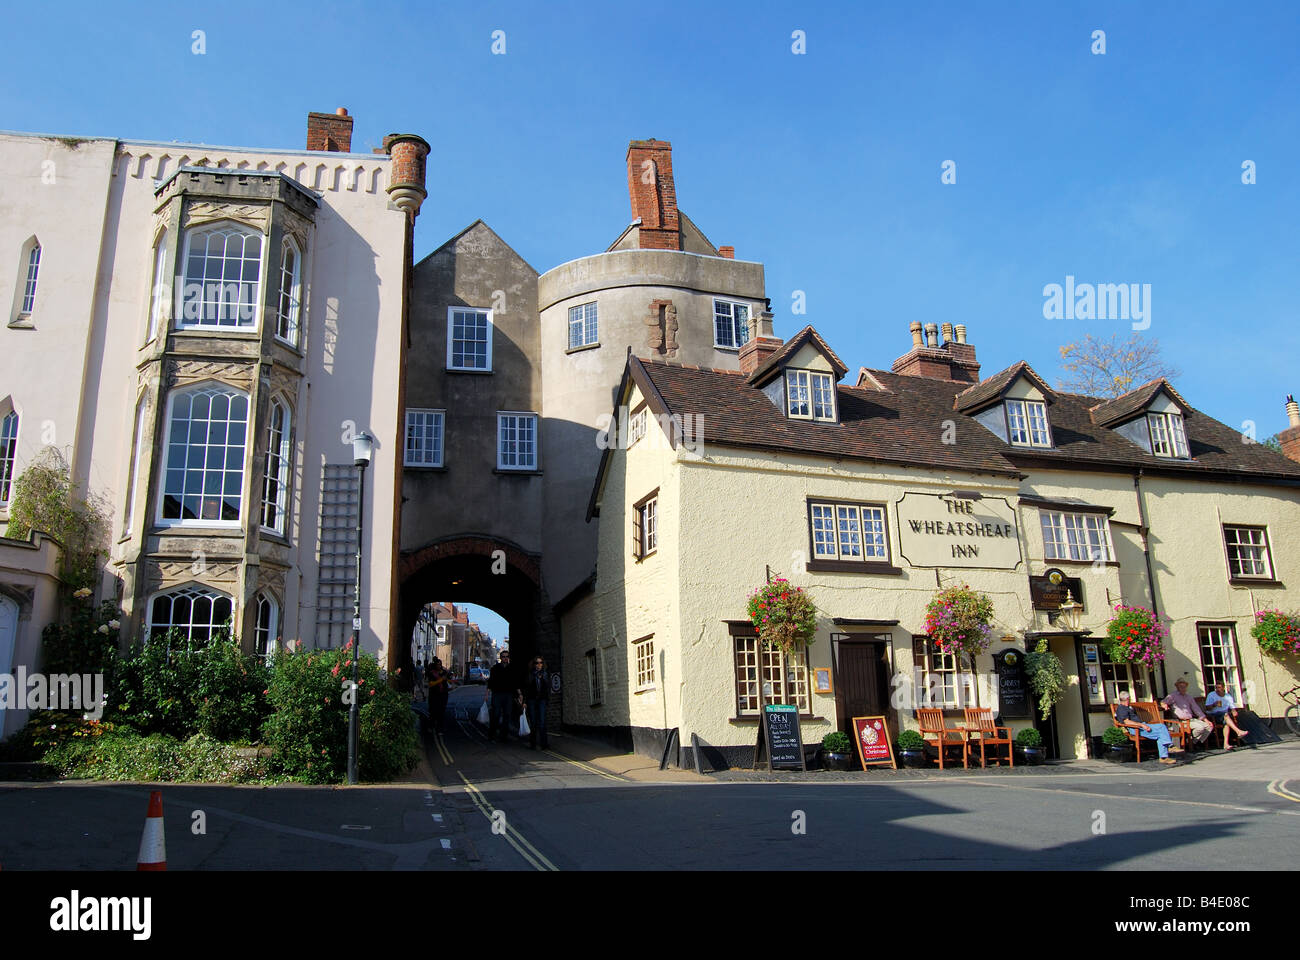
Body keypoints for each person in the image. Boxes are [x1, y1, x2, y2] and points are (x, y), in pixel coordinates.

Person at [1114, 690, 1176, 764]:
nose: (1130, 700)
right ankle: (1167, 752)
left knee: (1161, 727)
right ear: (1127, 699)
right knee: (1161, 732)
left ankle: (1165, 754)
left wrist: (1143, 724)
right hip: (1136, 729)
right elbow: (1126, 722)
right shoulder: (1121, 708)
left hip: (1141, 726)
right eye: (1129, 699)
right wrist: (1142, 725)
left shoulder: (1128, 707)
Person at [1162, 678, 1213, 748]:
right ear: (1177, 687)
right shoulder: (1172, 696)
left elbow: (1196, 709)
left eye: (1184, 687)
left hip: (1191, 720)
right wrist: (1164, 705)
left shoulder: (1189, 697)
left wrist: (1206, 720)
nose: (1183, 688)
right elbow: (1163, 702)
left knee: (1209, 726)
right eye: (1181, 687)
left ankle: (1193, 742)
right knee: (1200, 727)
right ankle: (1193, 743)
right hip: (1180, 722)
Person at [486, 651, 519, 743]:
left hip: (508, 694)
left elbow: (515, 682)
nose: (505, 658)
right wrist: (487, 694)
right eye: (503, 656)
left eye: (507, 656)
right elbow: (491, 681)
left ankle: (503, 736)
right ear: (500, 658)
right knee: (496, 714)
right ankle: (492, 735)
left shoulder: (512, 669)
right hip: (497, 694)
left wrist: (519, 694)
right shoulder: (495, 668)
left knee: (507, 715)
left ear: (508, 658)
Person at [1205, 682, 1248, 749]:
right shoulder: (1211, 695)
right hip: (1214, 714)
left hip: (1224, 715)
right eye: (1216, 688)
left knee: (1226, 722)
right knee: (1226, 716)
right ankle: (1238, 731)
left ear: (1223, 688)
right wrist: (1214, 705)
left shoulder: (1228, 696)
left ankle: (1226, 744)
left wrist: (1234, 711)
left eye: (1219, 687)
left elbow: (1232, 706)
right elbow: (1207, 708)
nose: (1217, 689)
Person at [523, 656, 551, 750]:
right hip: (531, 700)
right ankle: (533, 743)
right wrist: (524, 701)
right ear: (533, 664)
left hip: (542, 700)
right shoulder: (530, 674)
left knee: (542, 722)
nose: (539, 665)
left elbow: (548, 687)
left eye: (541, 663)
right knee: (533, 722)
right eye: (537, 663)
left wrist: (542, 678)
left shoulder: (545, 674)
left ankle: (544, 744)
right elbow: (526, 689)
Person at [426, 658, 451, 735]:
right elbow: (430, 684)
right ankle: (431, 726)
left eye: (440, 664)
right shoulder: (432, 673)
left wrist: (448, 680)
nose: (439, 666)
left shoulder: (444, 672)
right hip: (434, 695)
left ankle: (440, 728)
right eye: (438, 664)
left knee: (441, 712)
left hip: (443, 695)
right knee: (433, 711)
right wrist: (440, 680)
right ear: (435, 665)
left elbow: (449, 681)